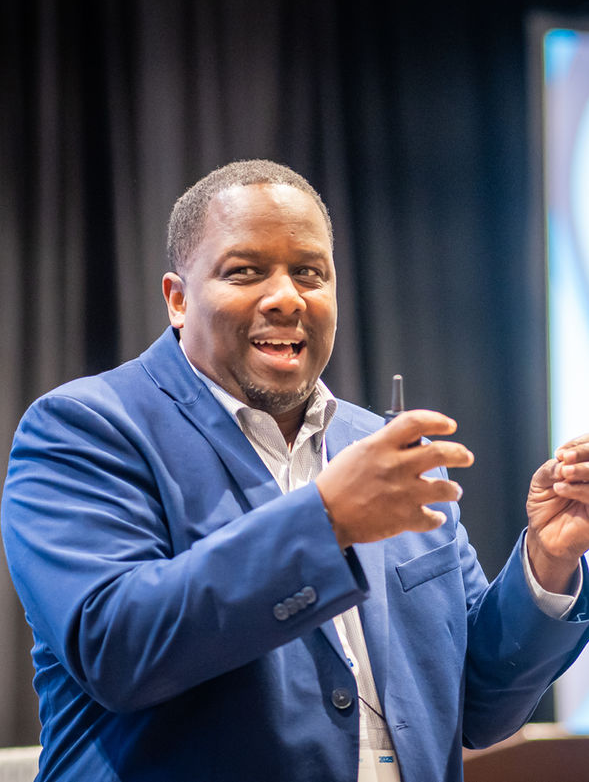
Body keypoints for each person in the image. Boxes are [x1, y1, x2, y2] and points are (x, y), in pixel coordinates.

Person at [2, 159, 589, 782]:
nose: (287, 297)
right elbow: (116, 649)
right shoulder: (87, 428)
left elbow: (478, 707)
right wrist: (326, 521)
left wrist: (547, 561)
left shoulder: (384, 450)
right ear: (178, 299)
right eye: (245, 271)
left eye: (310, 272)